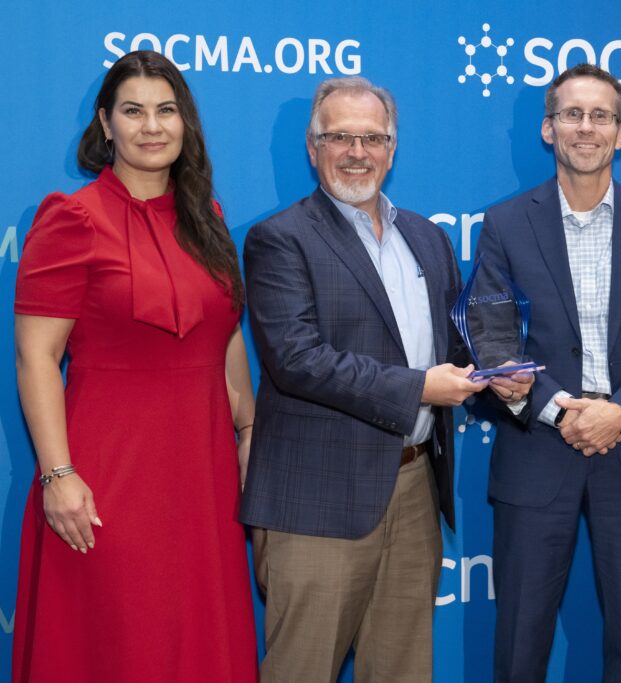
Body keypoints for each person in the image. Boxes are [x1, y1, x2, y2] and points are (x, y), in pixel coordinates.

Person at [11, 51, 257, 682]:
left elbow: (225, 332)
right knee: (120, 639)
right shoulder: (72, 218)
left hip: (201, 473)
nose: (152, 126)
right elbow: (37, 356)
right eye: (133, 111)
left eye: (166, 110)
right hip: (109, 473)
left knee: (199, 637)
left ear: (186, 124)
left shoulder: (209, 218)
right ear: (106, 123)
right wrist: (57, 474)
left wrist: (248, 430)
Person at [239, 76, 490, 682]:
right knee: (302, 670)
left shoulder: (428, 238)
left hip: (414, 489)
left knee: (402, 669)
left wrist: (495, 375)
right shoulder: (281, 239)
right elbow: (296, 359)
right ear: (312, 146)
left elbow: (452, 345)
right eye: (340, 137)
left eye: (373, 137)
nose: (358, 152)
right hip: (317, 501)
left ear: (393, 148)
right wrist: (420, 389)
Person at [475, 63, 621, 682]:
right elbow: (493, 338)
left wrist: (618, 412)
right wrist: (559, 409)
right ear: (548, 129)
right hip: (537, 449)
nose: (586, 127)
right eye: (572, 114)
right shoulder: (506, 224)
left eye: (601, 116)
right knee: (520, 647)